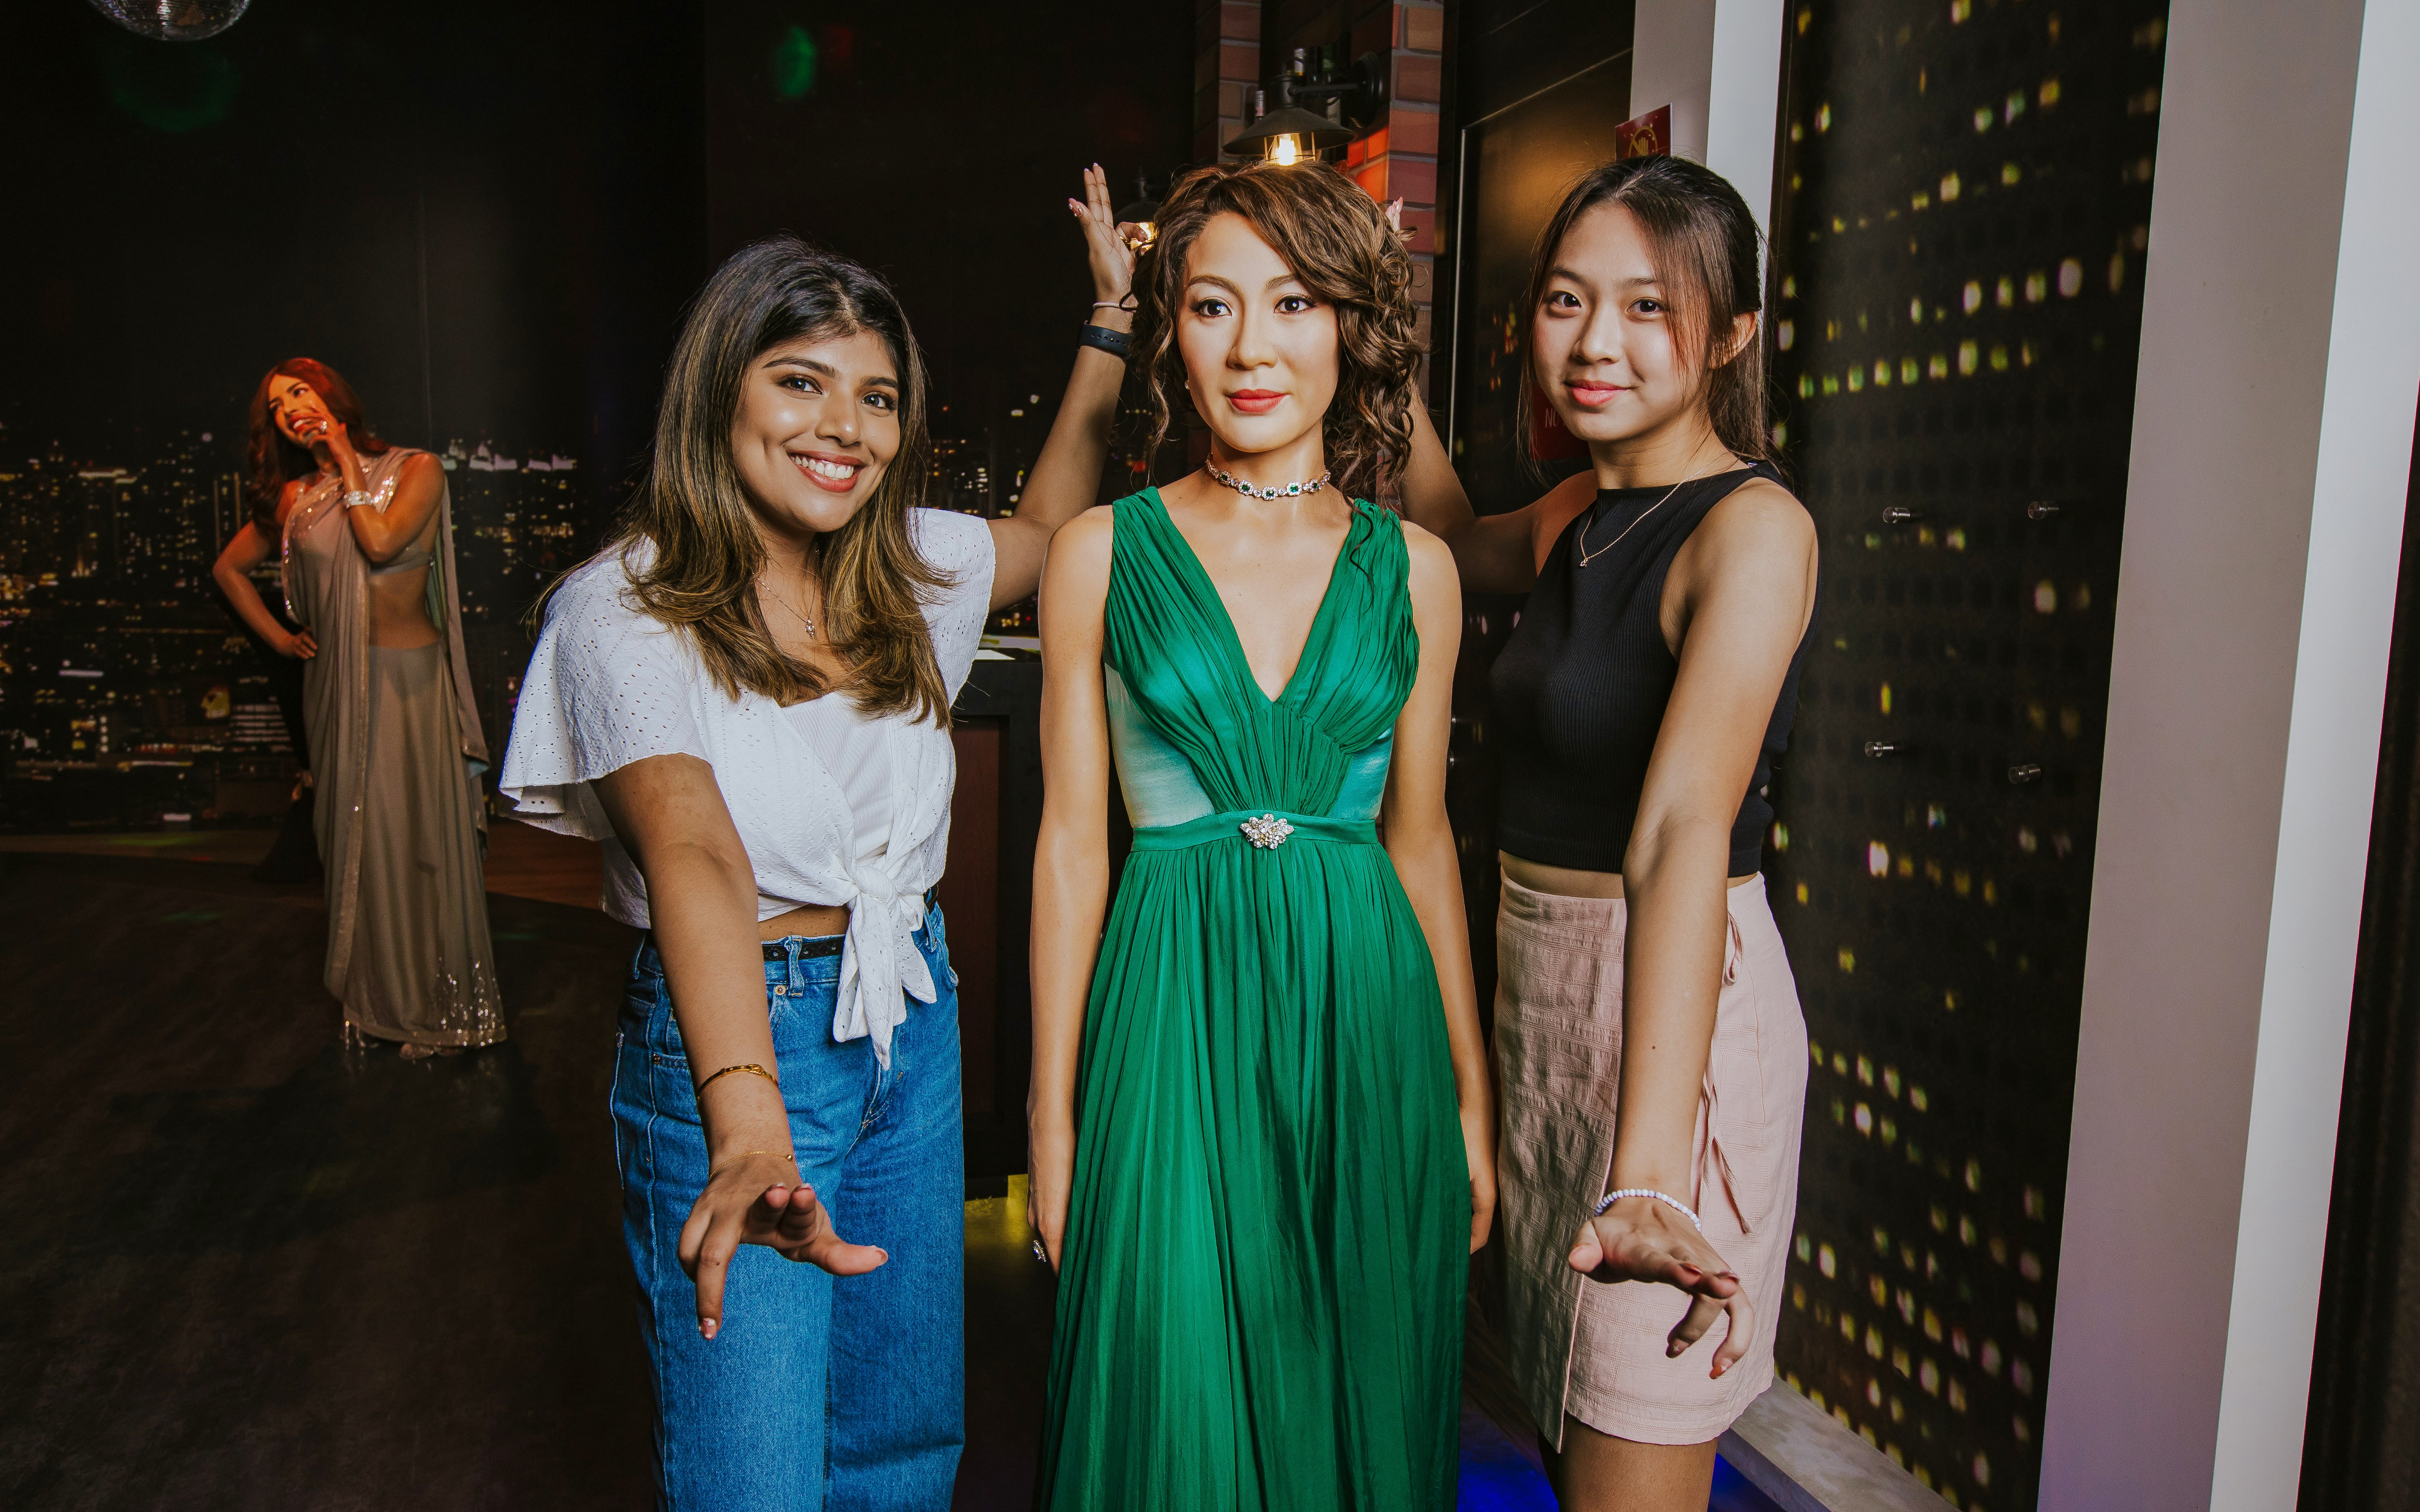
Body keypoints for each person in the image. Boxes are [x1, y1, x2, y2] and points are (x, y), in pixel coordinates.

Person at [497, 169, 1139, 1510]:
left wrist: (1112, 326)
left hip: (909, 1014)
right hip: (741, 1039)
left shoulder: (912, 564)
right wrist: (747, 1121)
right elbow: (697, 850)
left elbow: (1052, 524)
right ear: (721, 389)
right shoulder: (621, 612)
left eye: (878, 396)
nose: (843, 427)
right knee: (756, 1479)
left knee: (904, 1450)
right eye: (801, 383)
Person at [1028, 160, 1495, 1510]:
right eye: (1213, 305)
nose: (1252, 347)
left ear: (1350, 322)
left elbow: (1421, 846)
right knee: (1168, 1406)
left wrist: (1470, 1095)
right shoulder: (1101, 555)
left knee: (1359, 1397)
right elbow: (1071, 849)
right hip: (1169, 1014)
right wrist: (1050, 1120)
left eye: (1292, 303)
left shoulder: (1417, 572)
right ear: (1170, 327)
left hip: (1370, 1021)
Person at [1396, 154, 1819, 1511]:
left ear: (1734, 335)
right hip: (1542, 998)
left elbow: (1684, 831)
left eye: (1652, 309)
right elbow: (1454, 541)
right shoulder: (1588, 507)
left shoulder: (1752, 530)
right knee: (1572, 1436)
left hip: (1671, 1006)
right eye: (1569, 301)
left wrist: (1650, 1170)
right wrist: (1385, 350)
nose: (1596, 343)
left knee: (1631, 1449)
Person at [213, 358, 501, 1058]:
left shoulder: (418, 468)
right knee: (361, 849)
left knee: (419, 847)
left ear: (333, 395)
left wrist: (344, 457)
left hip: (409, 684)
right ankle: (380, 1005)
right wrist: (283, 638)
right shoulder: (294, 497)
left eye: (299, 393)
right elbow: (228, 570)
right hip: (336, 688)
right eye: (278, 405)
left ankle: (444, 1013)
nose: (290, 410)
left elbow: (377, 543)